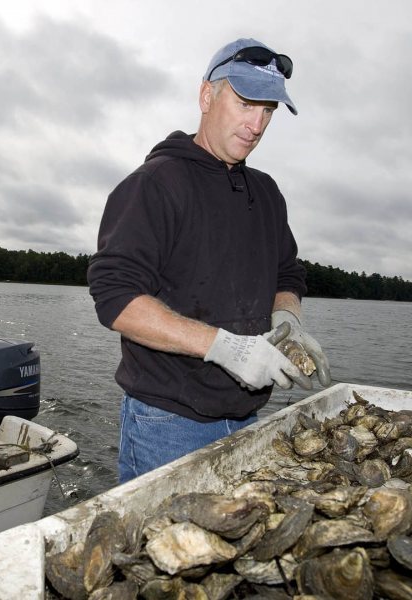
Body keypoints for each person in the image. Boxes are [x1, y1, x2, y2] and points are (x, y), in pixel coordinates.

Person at [87, 38, 331, 483]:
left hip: (246, 420)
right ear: (206, 96)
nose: (256, 125)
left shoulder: (268, 193)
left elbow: (287, 273)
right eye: (245, 104)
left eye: (268, 112)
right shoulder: (155, 184)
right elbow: (116, 298)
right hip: (167, 424)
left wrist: (288, 323)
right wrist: (226, 346)